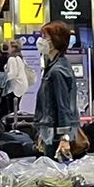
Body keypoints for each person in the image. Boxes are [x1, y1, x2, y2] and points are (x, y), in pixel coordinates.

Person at [34, 21, 82, 159]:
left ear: (56, 41)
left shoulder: (57, 71)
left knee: (55, 176)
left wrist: (64, 137)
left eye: (45, 37)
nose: (41, 41)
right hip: (50, 132)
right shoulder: (55, 67)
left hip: (55, 133)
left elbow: (63, 106)